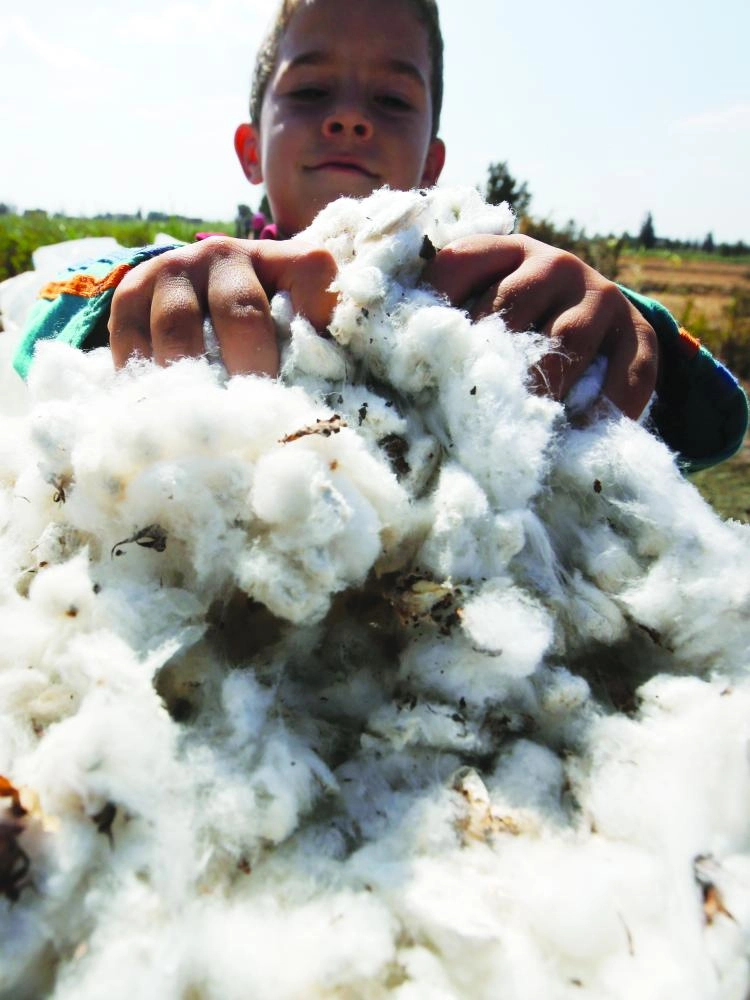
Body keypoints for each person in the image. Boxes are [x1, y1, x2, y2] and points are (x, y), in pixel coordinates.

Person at [13, 0, 747, 471]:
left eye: (392, 98)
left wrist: (608, 314)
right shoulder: (187, 269)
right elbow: (34, 329)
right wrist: (163, 279)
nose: (350, 118)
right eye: (309, 91)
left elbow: (713, 425)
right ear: (248, 149)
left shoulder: (483, 295)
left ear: (433, 164)